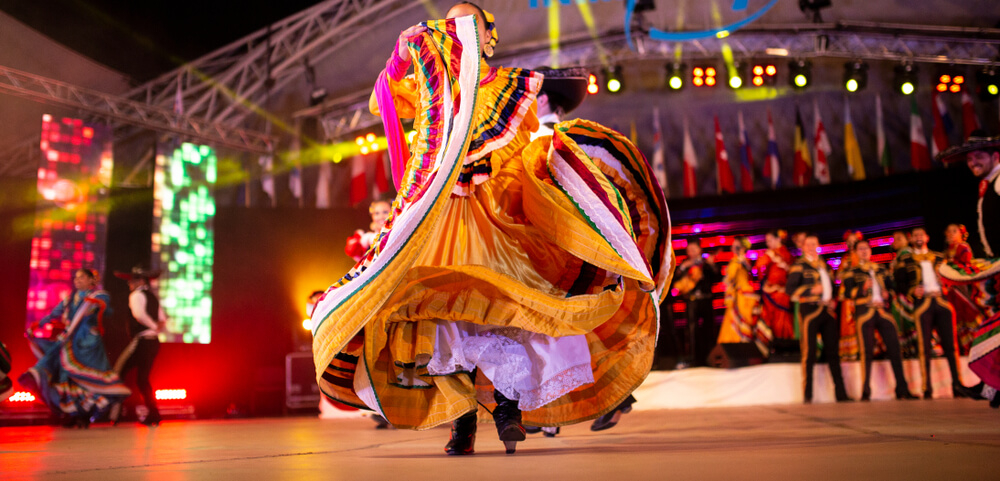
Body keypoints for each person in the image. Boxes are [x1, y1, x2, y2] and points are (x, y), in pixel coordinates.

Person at [309, 2, 671, 456]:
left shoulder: (515, 85)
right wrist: (401, 54)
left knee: (507, 313)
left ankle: (506, 411)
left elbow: (518, 151)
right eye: (451, 24)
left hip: (493, 222)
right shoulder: (431, 84)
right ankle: (463, 425)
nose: (459, 32)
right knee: (442, 322)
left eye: (470, 25)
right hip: (436, 226)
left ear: (488, 35)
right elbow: (380, 96)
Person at [18, 268, 130, 428]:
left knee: (85, 380)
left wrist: (95, 308)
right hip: (70, 342)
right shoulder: (71, 299)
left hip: (88, 345)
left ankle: (84, 417)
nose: (77, 281)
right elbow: (54, 313)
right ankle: (73, 415)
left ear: (92, 280)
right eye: (76, 278)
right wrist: (38, 324)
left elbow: (105, 308)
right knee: (67, 377)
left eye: (82, 278)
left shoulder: (98, 296)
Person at [937, 131, 1000, 407]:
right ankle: (992, 389)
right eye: (970, 158)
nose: (973, 162)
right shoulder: (990, 184)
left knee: (994, 330)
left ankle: (991, 389)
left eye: (979, 157)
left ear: (995, 156)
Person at [894, 227, 977, 399]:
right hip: (923, 303)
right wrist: (912, 291)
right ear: (911, 240)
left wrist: (945, 284)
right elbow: (899, 283)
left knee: (950, 345)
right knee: (924, 347)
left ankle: (957, 384)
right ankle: (927, 387)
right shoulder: (906, 259)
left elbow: (952, 275)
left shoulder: (940, 257)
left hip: (941, 301)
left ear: (927, 237)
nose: (918, 237)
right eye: (915, 235)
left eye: (921, 235)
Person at [842, 239, 918, 400]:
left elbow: (893, 289)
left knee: (895, 349)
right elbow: (847, 293)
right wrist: (862, 288)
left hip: (883, 312)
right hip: (865, 312)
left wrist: (887, 294)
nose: (864, 251)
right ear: (855, 252)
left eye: (866, 249)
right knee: (866, 352)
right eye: (860, 249)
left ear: (870, 251)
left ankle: (902, 388)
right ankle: (865, 390)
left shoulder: (881, 269)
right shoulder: (851, 271)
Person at [786, 234, 849, 403]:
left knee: (833, 353)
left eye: (814, 244)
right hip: (810, 310)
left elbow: (834, 286)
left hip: (827, 311)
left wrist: (834, 300)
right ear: (803, 247)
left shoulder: (824, 265)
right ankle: (808, 395)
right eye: (808, 245)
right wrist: (810, 291)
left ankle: (841, 394)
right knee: (809, 353)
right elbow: (790, 289)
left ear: (818, 245)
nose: (811, 247)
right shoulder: (799, 265)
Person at [112, 266, 167, 426]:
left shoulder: (136, 295)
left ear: (141, 281)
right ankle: (153, 413)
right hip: (153, 342)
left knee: (119, 372)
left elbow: (139, 315)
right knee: (142, 379)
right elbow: (163, 318)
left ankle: (117, 413)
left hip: (143, 341)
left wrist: (152, 326)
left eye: (133, 280)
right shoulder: (152, 296)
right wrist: (156, 328)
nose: (130, 283)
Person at [673, 239, 721, 367]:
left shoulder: (706, 263)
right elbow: (675, 279)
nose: (691, 252)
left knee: (709, 329)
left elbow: (717, 277)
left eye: (693, 249)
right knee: (691, 330)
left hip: (706, 299)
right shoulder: (685, 263)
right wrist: (684, 267)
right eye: (689, 250)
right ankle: (693, 358)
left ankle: (710, 357)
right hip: (692, 301)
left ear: (700, 249)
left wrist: (711, 265)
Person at [718, 237, 770, 353]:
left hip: (744, 296)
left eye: (736, 246)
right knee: (734, 321)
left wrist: (740, 258)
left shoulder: (742, 260)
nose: (733, 248)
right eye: (733, 246)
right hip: (737, 295)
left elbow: (749, 270)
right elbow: (729, 278)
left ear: (742, 248)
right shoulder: (735, 260)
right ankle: (734, 350)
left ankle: (746, 349)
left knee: (745, 321)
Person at [943, 224, 985, 355]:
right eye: (948, 231)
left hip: (963, 286)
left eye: (954, 231)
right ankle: (964, 348)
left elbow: (966, 262)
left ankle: (978, 346)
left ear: (961, 234)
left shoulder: (963, 247)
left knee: (969, 313)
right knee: (957, 318)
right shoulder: (946, 252)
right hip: (952, 289)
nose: (951, 234)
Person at [754, 230, 795, 340]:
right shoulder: (783, 254)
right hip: (778, 293)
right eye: (767, 241)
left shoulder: (780, 254)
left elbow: (758, 267)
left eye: (769, 241)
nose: (768, 244)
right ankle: (782, 345)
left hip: (779, 293)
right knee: (780, 320)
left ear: (778, 239)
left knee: (779, 320)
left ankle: (782, 345)